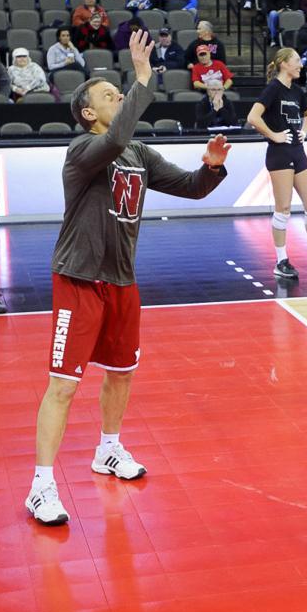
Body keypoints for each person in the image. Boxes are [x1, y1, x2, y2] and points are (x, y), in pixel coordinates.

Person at [24, 30, 230, 526]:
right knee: (63, 385)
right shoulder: (82, 149)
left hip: (121, 280)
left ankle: (108, 449)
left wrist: (211, 168)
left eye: (121, 92)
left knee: (121, 371)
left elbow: (190, 187)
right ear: (88, 112)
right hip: (79, 278)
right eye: (108, 94)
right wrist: (142, 78)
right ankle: (40, 486)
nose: (117, 95)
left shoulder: (138, 153)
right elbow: (114, 138)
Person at [244, 48, 307, 281]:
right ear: (284, 64)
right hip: (279, 154)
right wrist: (274, 135)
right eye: (297, 61)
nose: (301, 65)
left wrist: (304, 131)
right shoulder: (273, 89)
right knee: (283, 209)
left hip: (298, 152)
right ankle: (281, 261)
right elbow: (252, 117)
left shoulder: (298, 91)